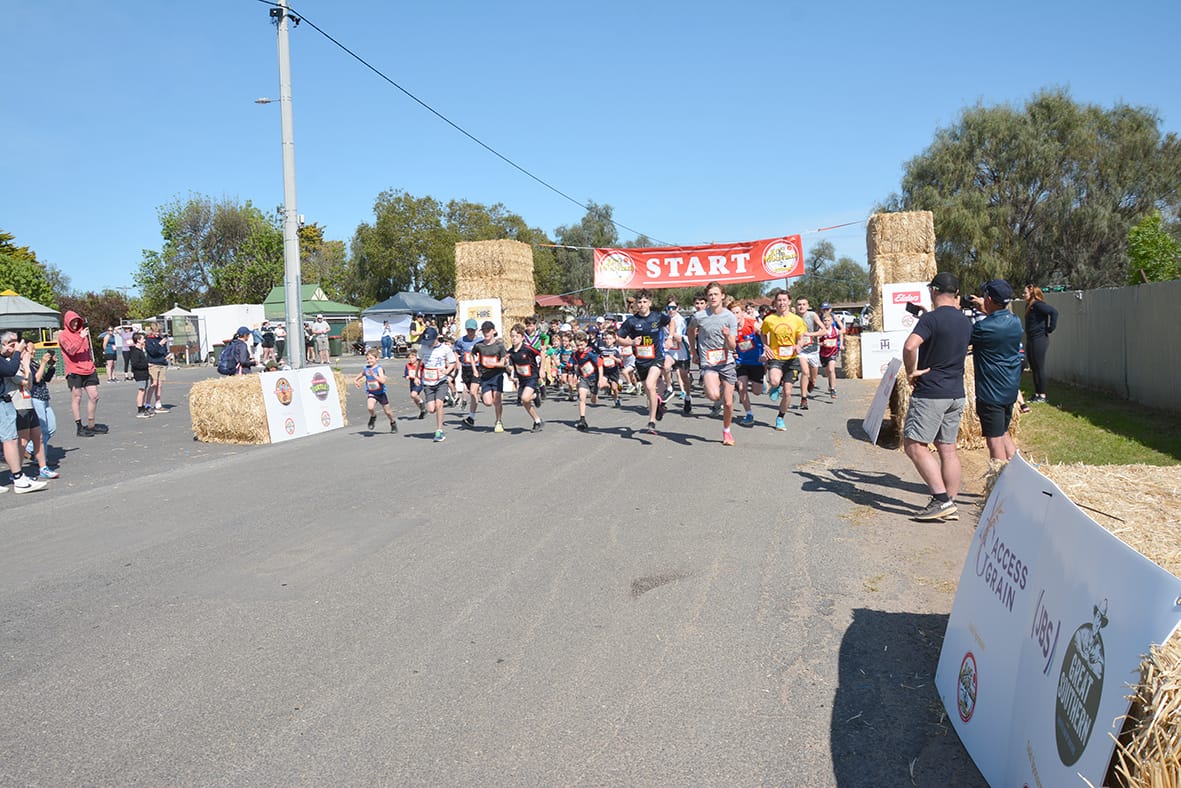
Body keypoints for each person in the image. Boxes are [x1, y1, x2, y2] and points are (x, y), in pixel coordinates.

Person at [902, 272, 974, 521]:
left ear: (933, 290)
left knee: (914, 445)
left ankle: (941, 500)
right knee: (948, 449)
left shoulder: (931, 320)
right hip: (956, 392)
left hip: (932, 391)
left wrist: (911, 371)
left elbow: (910, 346)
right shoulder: (965, 321)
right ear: (956, 293)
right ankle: (950, 503)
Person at [968, 280, 1024, 462]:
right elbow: (998, 323)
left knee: (994, 441)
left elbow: (963, 338)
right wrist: (987, 310)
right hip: (1009, 388)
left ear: (989, 299)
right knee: (1004, 433)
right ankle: (1018, 472)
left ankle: (999, 475)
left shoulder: (983, 328)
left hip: (991, 393)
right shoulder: (1015, 322)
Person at [687, 282, 739, 445]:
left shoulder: (730, 317)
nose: (713, 297)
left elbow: (733, 346)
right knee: (714, 396)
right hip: (708, 362)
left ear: (722, 296)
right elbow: (690, 331)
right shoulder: (699, 316)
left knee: (728, 403)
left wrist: (727, 336)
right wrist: (694, 351)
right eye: (710, 295)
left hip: (726, 362)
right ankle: (715, 388)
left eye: (716, 294)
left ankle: (727, 431)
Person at [0, 332, 49, 493]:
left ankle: (20, 476)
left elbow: (31, 382)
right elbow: (11, 371)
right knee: (11, 440)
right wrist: (18, 355)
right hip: (11, 403)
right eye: (12, 342)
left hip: (20, 403)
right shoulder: (12, 361)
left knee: (22, 438)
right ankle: (18, 478)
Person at [617, 289, 672, 434]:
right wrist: (631, 342)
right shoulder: (631, 321)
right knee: (649, 392)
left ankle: (651, 422)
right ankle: (659, 406)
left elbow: (670, 321)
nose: (642, 304)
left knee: (649, 384)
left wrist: (670, 337)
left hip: (656, 358)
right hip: (641, 361)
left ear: (650, 303)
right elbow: (618, 338)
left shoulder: (657, 316)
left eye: (644, 302)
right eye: (639, 302)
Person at [760, 289, 807, 432]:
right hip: (776, 357)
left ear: (789, 302)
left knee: (787, 393)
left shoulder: (797, 320)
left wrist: (799, 346)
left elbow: (802, 338)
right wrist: (766, 346)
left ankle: (780, 417)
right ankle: (776, 386)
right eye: (779, 300)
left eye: (784, 300)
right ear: (775, 303)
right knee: (774, 381)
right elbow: (763, 333)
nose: (781, 303)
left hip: (791, 360)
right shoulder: (769, 319)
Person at [57, 310, 107, 437]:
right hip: (74, 371)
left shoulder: (83, 334)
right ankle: (79, 427)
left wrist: (92, 364)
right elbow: (71, 350)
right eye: (72, 322)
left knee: (94, 396)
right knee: (77, 397)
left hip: (89, 369)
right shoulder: (63, 336)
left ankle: (91, 425)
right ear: (67, 322)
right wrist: (80, 337)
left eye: (77, 321)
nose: (75, 324)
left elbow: (87, 351)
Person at [416, 326, 457, 443]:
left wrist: (447, 371)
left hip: (441, 381)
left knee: (439, 405)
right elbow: (418, 362)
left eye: (430, 341)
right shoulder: (423, 348)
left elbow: (453, 362)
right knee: (431, 409)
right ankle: (447, 398)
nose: (428, 344)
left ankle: (439, 430)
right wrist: (416, 376)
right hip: (428, 382)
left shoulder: (445, 349)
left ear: (436, 338)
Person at [1023, 284, 1059, 403]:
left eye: (1025, 293)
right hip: (1031, 339)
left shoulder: (1038, 305)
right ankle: (1037, 393)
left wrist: (1050, 328)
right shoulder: (1029, 305)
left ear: (1032, 294)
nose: (1023, 295)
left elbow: (1054, 312)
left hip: (1039, 339)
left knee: (1039, 367)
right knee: (1033, 367)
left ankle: (1042, 395)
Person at [471, 321, 508, 433]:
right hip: (485, 376)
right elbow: (471, 355)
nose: (486, 333)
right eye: (484, 331)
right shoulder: (479, 345)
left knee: (497, 400)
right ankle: (484, 395)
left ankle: (498, 421)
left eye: (488, 330)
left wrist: (494, 364)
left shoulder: (499, 346)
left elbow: (503, 362)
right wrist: (474, 370)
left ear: (493, 331)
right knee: (488, 402)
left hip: (497, 375)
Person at [507, 323, 544, 432]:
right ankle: (537, 421)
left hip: (532, 376)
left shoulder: (527, 348)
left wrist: (542, 369)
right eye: (512, 336)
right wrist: (507, 369)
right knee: (525, 402)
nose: (514, 339)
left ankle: (536, 394)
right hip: (522, 379)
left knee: (525, 398)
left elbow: (541, 354)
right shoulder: (510, 352)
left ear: (522, 337)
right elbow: (510, 367)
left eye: (517, 336)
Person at [733, 299, 764, 426]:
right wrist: (732, 352)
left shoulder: (752, 323)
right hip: (741, 362)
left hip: (756, 361)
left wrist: (765, 349)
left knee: (757, 391)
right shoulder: (730, 328)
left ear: (742, 313)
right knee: (742, 387)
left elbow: (764, 334)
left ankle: (764, 382)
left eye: (737, 312)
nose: (735, 316)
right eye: (732, 313)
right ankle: (749, 414)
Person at [355, 348, 397, 433]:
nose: (369, 360)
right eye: (367, 359)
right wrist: (356, 380)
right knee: (370, 407)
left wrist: (374, 375)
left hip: (381, 393)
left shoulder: (379, 369)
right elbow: (362, 374)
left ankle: (393, 422)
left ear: (377, 358)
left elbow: (383, 381)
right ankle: (373, 416)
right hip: (372, 392)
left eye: (371, 358)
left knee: (387, 412)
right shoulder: (366, 368)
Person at [794, 296, 824, 411]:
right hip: (801, 350)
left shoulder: (812, 315)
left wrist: (810, 335)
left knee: (813, 378)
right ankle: (804, 398)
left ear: (808, 306)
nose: (801, 307)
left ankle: (812, 382)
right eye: (799, 304)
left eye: (803, 304)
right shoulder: (793, 317)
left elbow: (823, 330)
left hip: (813, 350)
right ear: (796, 306)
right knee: (805, 372)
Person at [663, 297, 692, 413]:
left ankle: (688, 397)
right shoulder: (664, 319)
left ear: (678, 308)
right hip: (670, 351)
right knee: (666, 366)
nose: (671, 310)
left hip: (682, 353)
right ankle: (669, 388)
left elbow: (681, 337)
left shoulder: (681, 321)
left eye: (673, 308)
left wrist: (672, 333)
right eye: (668, 308)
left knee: (684, 378)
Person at [569, 330, 602, 432]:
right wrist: (575, 375)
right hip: (584, 378)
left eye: (581, 345)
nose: (580, 347)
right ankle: (582, 420)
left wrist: (600, 379)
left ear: (586, 343)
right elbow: (576, 365)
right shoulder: (575, 354)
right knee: (582, 396)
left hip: (594, 378)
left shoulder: (591, 353)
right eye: (577, 345)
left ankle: (595, 393)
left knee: (593, 400)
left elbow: (600, 365)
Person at [453, 318, 482, 425]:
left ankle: (471, 417)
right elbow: (455, 351)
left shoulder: (480, 341)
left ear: (476, 330)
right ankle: (472, 415)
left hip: (477, 368)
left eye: (472, 330)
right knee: (472, 392)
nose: (470, 332)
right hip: (466, 369)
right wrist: (458, 362)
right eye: (468, 330)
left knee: (473, 392)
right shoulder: (461, 341)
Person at [818, 308, 845, 398]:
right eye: (825, 321)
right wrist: (822, 343)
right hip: (823, 354)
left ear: (832, 321)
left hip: (833, 352)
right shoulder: (820, 331)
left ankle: (833, 389)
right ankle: (830, 384)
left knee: (831, 369)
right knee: (827, 372)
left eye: (828, 320)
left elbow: (842, 331)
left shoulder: (835, 330)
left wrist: (839, 322)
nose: (826, 322)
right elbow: (814, 342)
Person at [145, 322, 170, 413]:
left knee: (160, 385)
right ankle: (147, 404)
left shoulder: (161, 339)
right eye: (156, 331)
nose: (157, 333)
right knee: (154, 384)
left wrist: (167, 355)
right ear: (152, 331)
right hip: (153, 364)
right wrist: (159, 344)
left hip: (162, 363)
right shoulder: (148, 340)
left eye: (159, 331)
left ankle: (158, 404)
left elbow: (164, 350)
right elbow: (152, 352)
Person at [127, 331, 154, 418]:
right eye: (143, 338)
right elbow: (135, 364)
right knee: (141, 391)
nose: (144, 340)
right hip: (139, 374)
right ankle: (140, 410)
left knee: (144, 391)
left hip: (144, 374)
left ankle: (143, 407)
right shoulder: (135, 351)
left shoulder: (140, 350)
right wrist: (146, 365)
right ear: (138, 340)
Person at [403, 348, 426, 419]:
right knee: (414, 398)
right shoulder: (408, 365)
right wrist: (407, 376)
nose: (411, 359)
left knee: (413, 395)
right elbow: (406, 374)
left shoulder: (420, 364)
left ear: (416, 357)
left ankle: (422, 402)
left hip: (419, 382)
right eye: (409, 358)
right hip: (412, 383)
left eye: (412, 357)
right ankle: (422, 410)